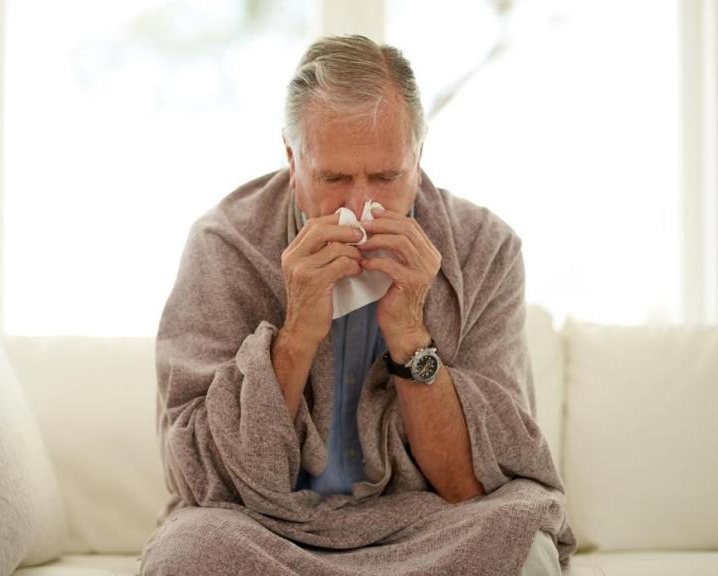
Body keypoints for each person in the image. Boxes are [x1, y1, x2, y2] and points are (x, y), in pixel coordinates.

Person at [142, 35, 575, 576]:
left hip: (429, 525)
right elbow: (202, 478)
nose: (361, 205)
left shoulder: (487, 248)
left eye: (387, 177)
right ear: (292, 160)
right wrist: (296, 332)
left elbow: (471, 485)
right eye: (335, 178)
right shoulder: (223, 244)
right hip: (268, 529)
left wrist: (409, 331)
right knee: (189, 553)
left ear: (417, 160)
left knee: (524, 543)